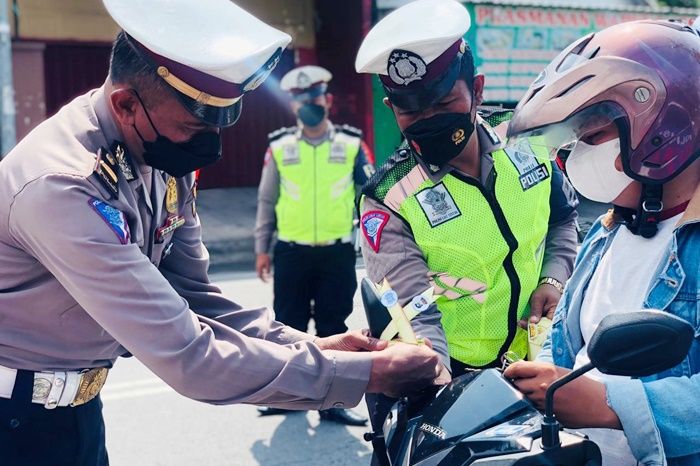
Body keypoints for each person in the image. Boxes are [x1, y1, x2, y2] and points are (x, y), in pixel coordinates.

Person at [0, 1, 447, 464]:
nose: (210, 143)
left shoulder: (155, 152)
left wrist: (312, 345)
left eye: (219, 121)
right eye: (196, 125)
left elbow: (196, 298)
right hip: (12, 423)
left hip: (77, 412)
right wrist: (368, 373)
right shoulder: (63, 187)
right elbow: (191, 355)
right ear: (126, 104)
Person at [353, 0, 579, 450]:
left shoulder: (528, 142)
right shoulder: (389, 198)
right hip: (442, 379)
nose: (429, 121)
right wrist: (441, 387)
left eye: (443, 103)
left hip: (533, 364)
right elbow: (413, 313)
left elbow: (564, 219)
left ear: (476, 88)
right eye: (410, 112)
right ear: (391, 107)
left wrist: (554, 276)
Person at [502, 19, 700, 466]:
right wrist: (542, 378)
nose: (574, 156)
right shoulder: (609, 230)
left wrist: (608, 403)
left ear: (663, 130)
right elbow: (568, 343)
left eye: (590, 136)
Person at [253, 65, 375, 425]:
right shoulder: (279, 146)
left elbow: (369, 196)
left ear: (328, 101)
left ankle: (332, 403)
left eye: (315, 98)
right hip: (291, 251)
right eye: (302, 100)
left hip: (336, 253)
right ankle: (288, 397)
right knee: (288, 324)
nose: (309, 104)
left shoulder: (352, 144)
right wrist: (262, 247)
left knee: (333, 326)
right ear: (293, 106)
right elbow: (266, 199)